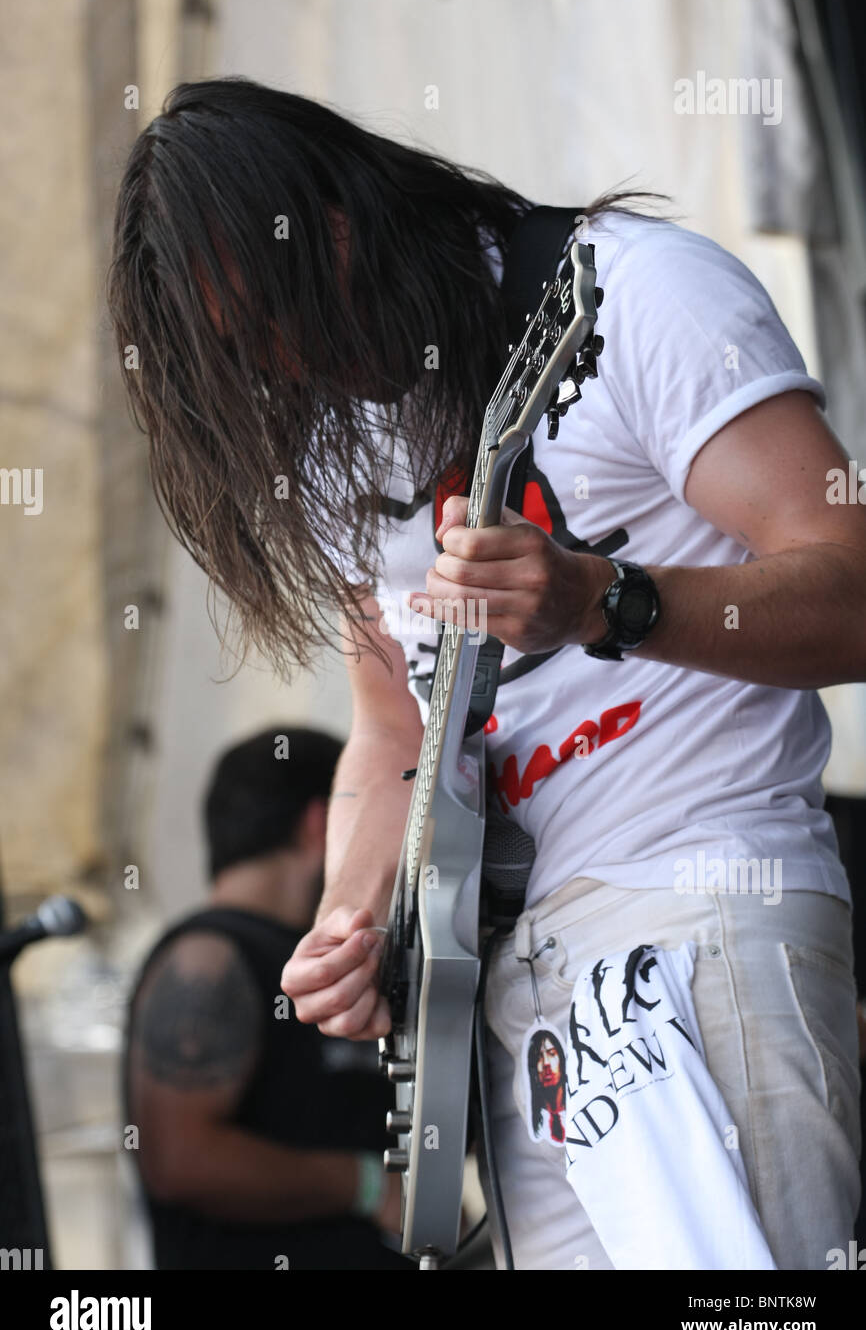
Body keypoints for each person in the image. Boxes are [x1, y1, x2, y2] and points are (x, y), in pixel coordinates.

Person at [109, 78, 863, 1270]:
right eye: (239, 362)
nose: (275, 378)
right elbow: (388, 724)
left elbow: (851, 580)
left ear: (335, 232)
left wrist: (607, 602)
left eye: (268, 331)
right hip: (514, 1001)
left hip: (694, 905)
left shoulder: (628, 291)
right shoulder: (334, 436)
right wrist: (348, 918)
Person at [123, 725, 411, 1270]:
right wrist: (367, 1183)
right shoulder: (208, 956)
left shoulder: (330, 957)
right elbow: (178, 1159)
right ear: (321, 822)